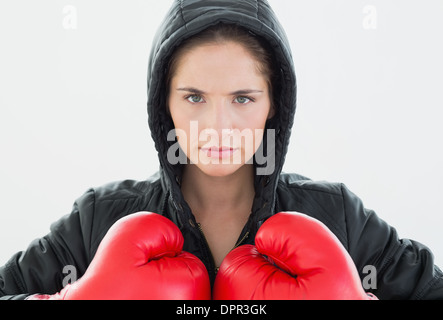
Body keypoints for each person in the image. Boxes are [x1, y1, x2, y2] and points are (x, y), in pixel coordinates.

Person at [1, 0, 442, 300]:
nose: (217, 127)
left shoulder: (335, 214)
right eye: (194, 98)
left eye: (243, 98)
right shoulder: (99, 218)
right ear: (163, 106)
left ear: (275, 105)